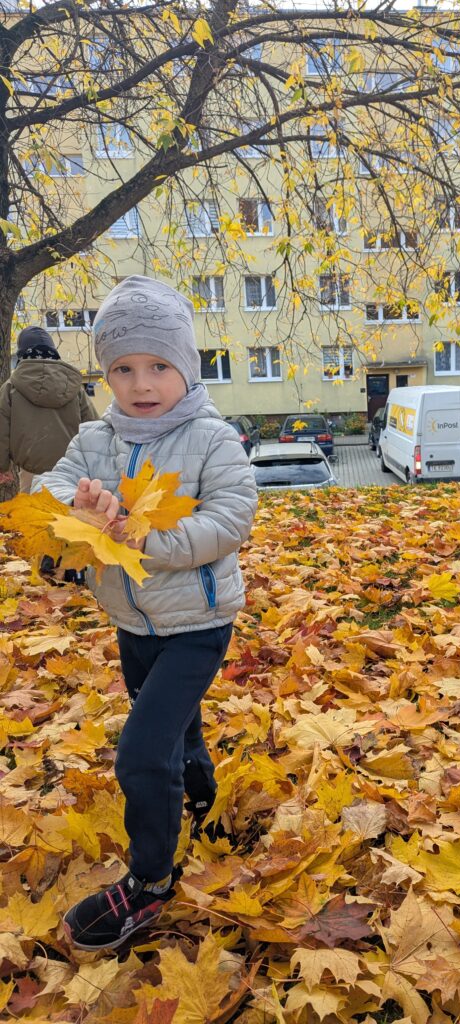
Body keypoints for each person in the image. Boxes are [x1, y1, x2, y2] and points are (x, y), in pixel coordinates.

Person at [33, 276, 258, 950]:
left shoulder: (212, 439)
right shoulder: (94, 439)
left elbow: (230, 519)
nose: (141, 383)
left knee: (141, 752)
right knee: (178, 730)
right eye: (123, 369)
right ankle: (202, 799)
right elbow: (54, 487)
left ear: (185, 365)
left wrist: (142, 540)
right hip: (133, 624)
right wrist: (77, 509)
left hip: (197, 626)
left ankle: (150, 881)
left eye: (159, 365)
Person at [0, 325, 98, 492]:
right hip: (71, 470)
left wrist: (2, 466)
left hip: (30, 471)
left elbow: (1, 428)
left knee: (33, 508)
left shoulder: (10, 387)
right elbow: (93, 426)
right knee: (69, 508)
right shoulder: (73, 387)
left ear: (22, 354)